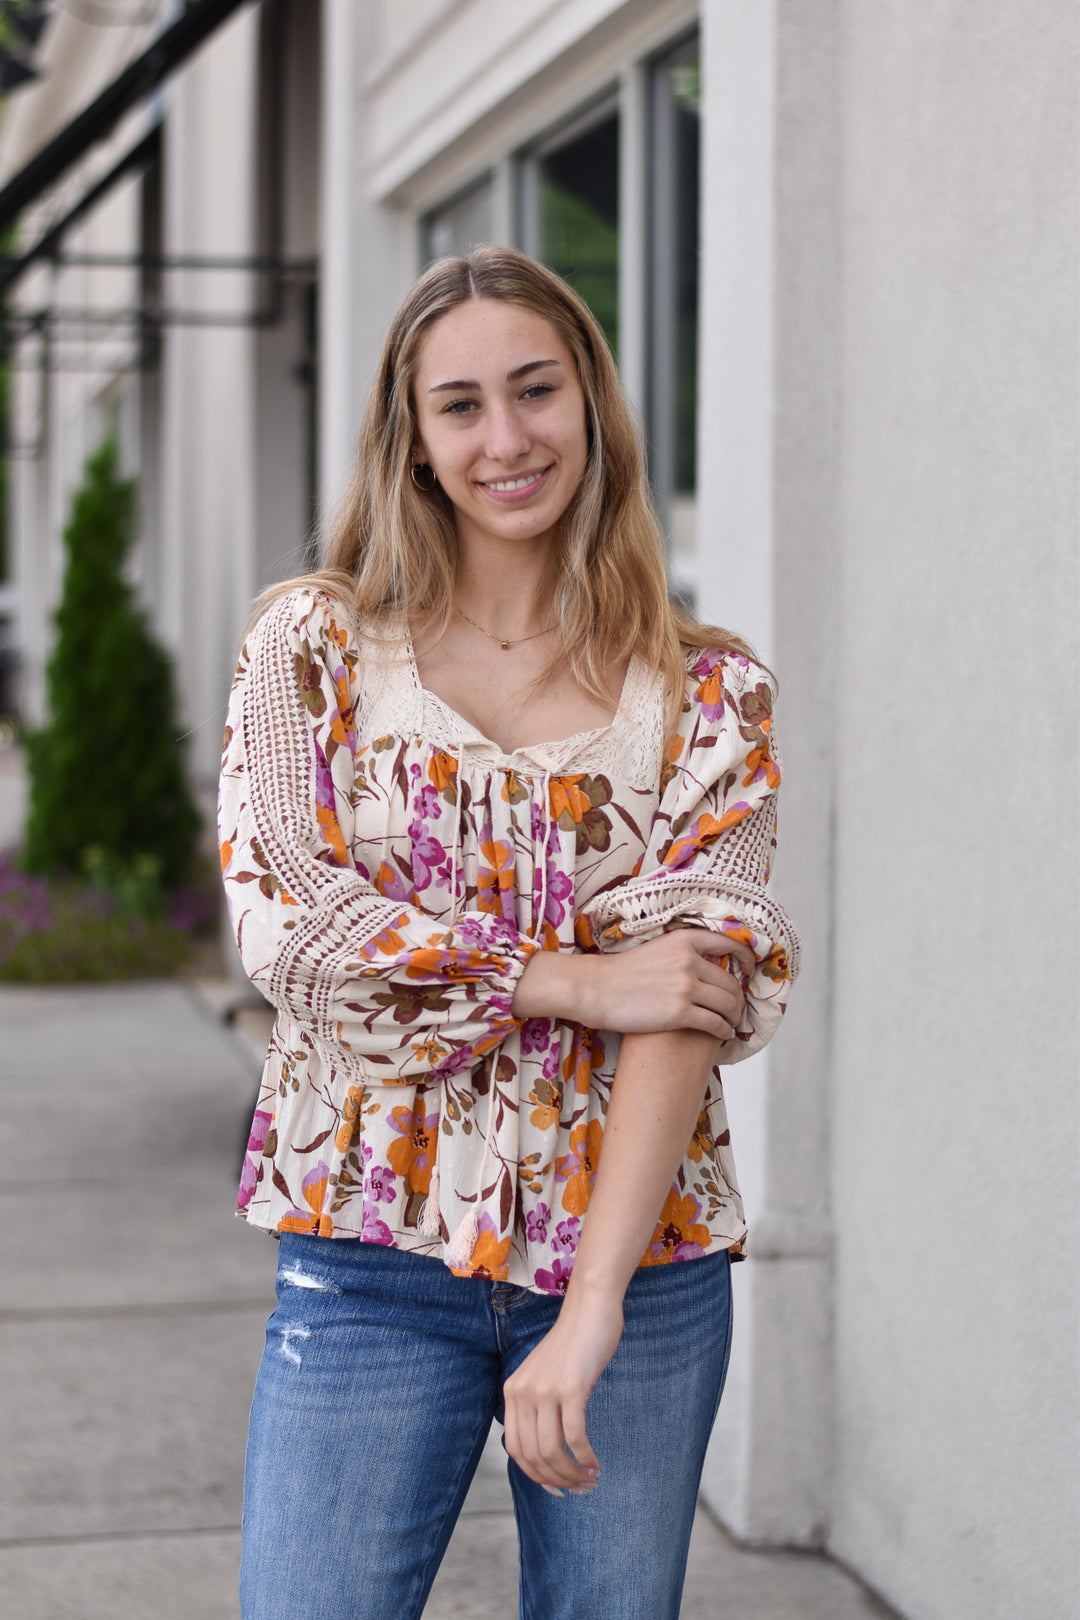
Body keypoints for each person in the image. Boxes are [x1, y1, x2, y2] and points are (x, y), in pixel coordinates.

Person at [219, 244, 799, 1620]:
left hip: (637, 1273)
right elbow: (293, 927)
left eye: (536, 390)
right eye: (461, 405)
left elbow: (695, 997)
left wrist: (591, 1306)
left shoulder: (710, 692)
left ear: (591, 404)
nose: (507, 437)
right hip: (369, 1256)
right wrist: (582, 983)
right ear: (412, 442)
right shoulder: (312, 653)